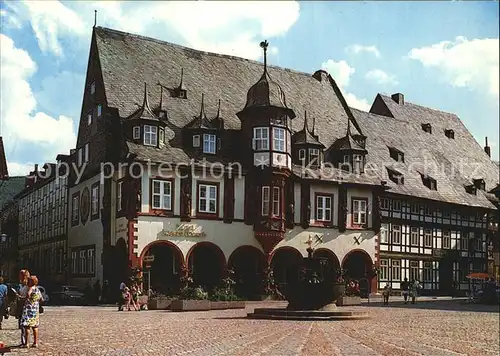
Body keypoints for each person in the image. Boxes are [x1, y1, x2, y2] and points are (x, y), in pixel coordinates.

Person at [20, 275, 43, 348]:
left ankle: (26, 343)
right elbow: (41, 299)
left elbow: (28, 294)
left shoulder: (31, 288)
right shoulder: (37, 289)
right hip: (35, 311)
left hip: (28, 310)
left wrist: (24, 298)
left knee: (27, 327)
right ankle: (35, 342)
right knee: (35, 327)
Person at [17, 269, 30, 346]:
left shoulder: (28, 285)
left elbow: (27, 296)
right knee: (21, 325)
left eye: (21, 274)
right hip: (20, 305)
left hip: (26, 307)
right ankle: (23, 341)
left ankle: (25, 342)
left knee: (25, 325)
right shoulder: (21, 284)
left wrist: (20, 296)